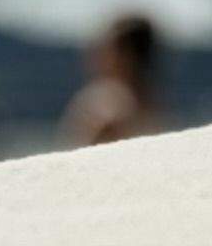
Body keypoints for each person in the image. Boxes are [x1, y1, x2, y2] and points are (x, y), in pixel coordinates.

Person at [64, 11, 168, 146]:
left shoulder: (107, 109)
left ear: (126, 56)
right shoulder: (154, 100)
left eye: (107, 48)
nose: (96, 54)